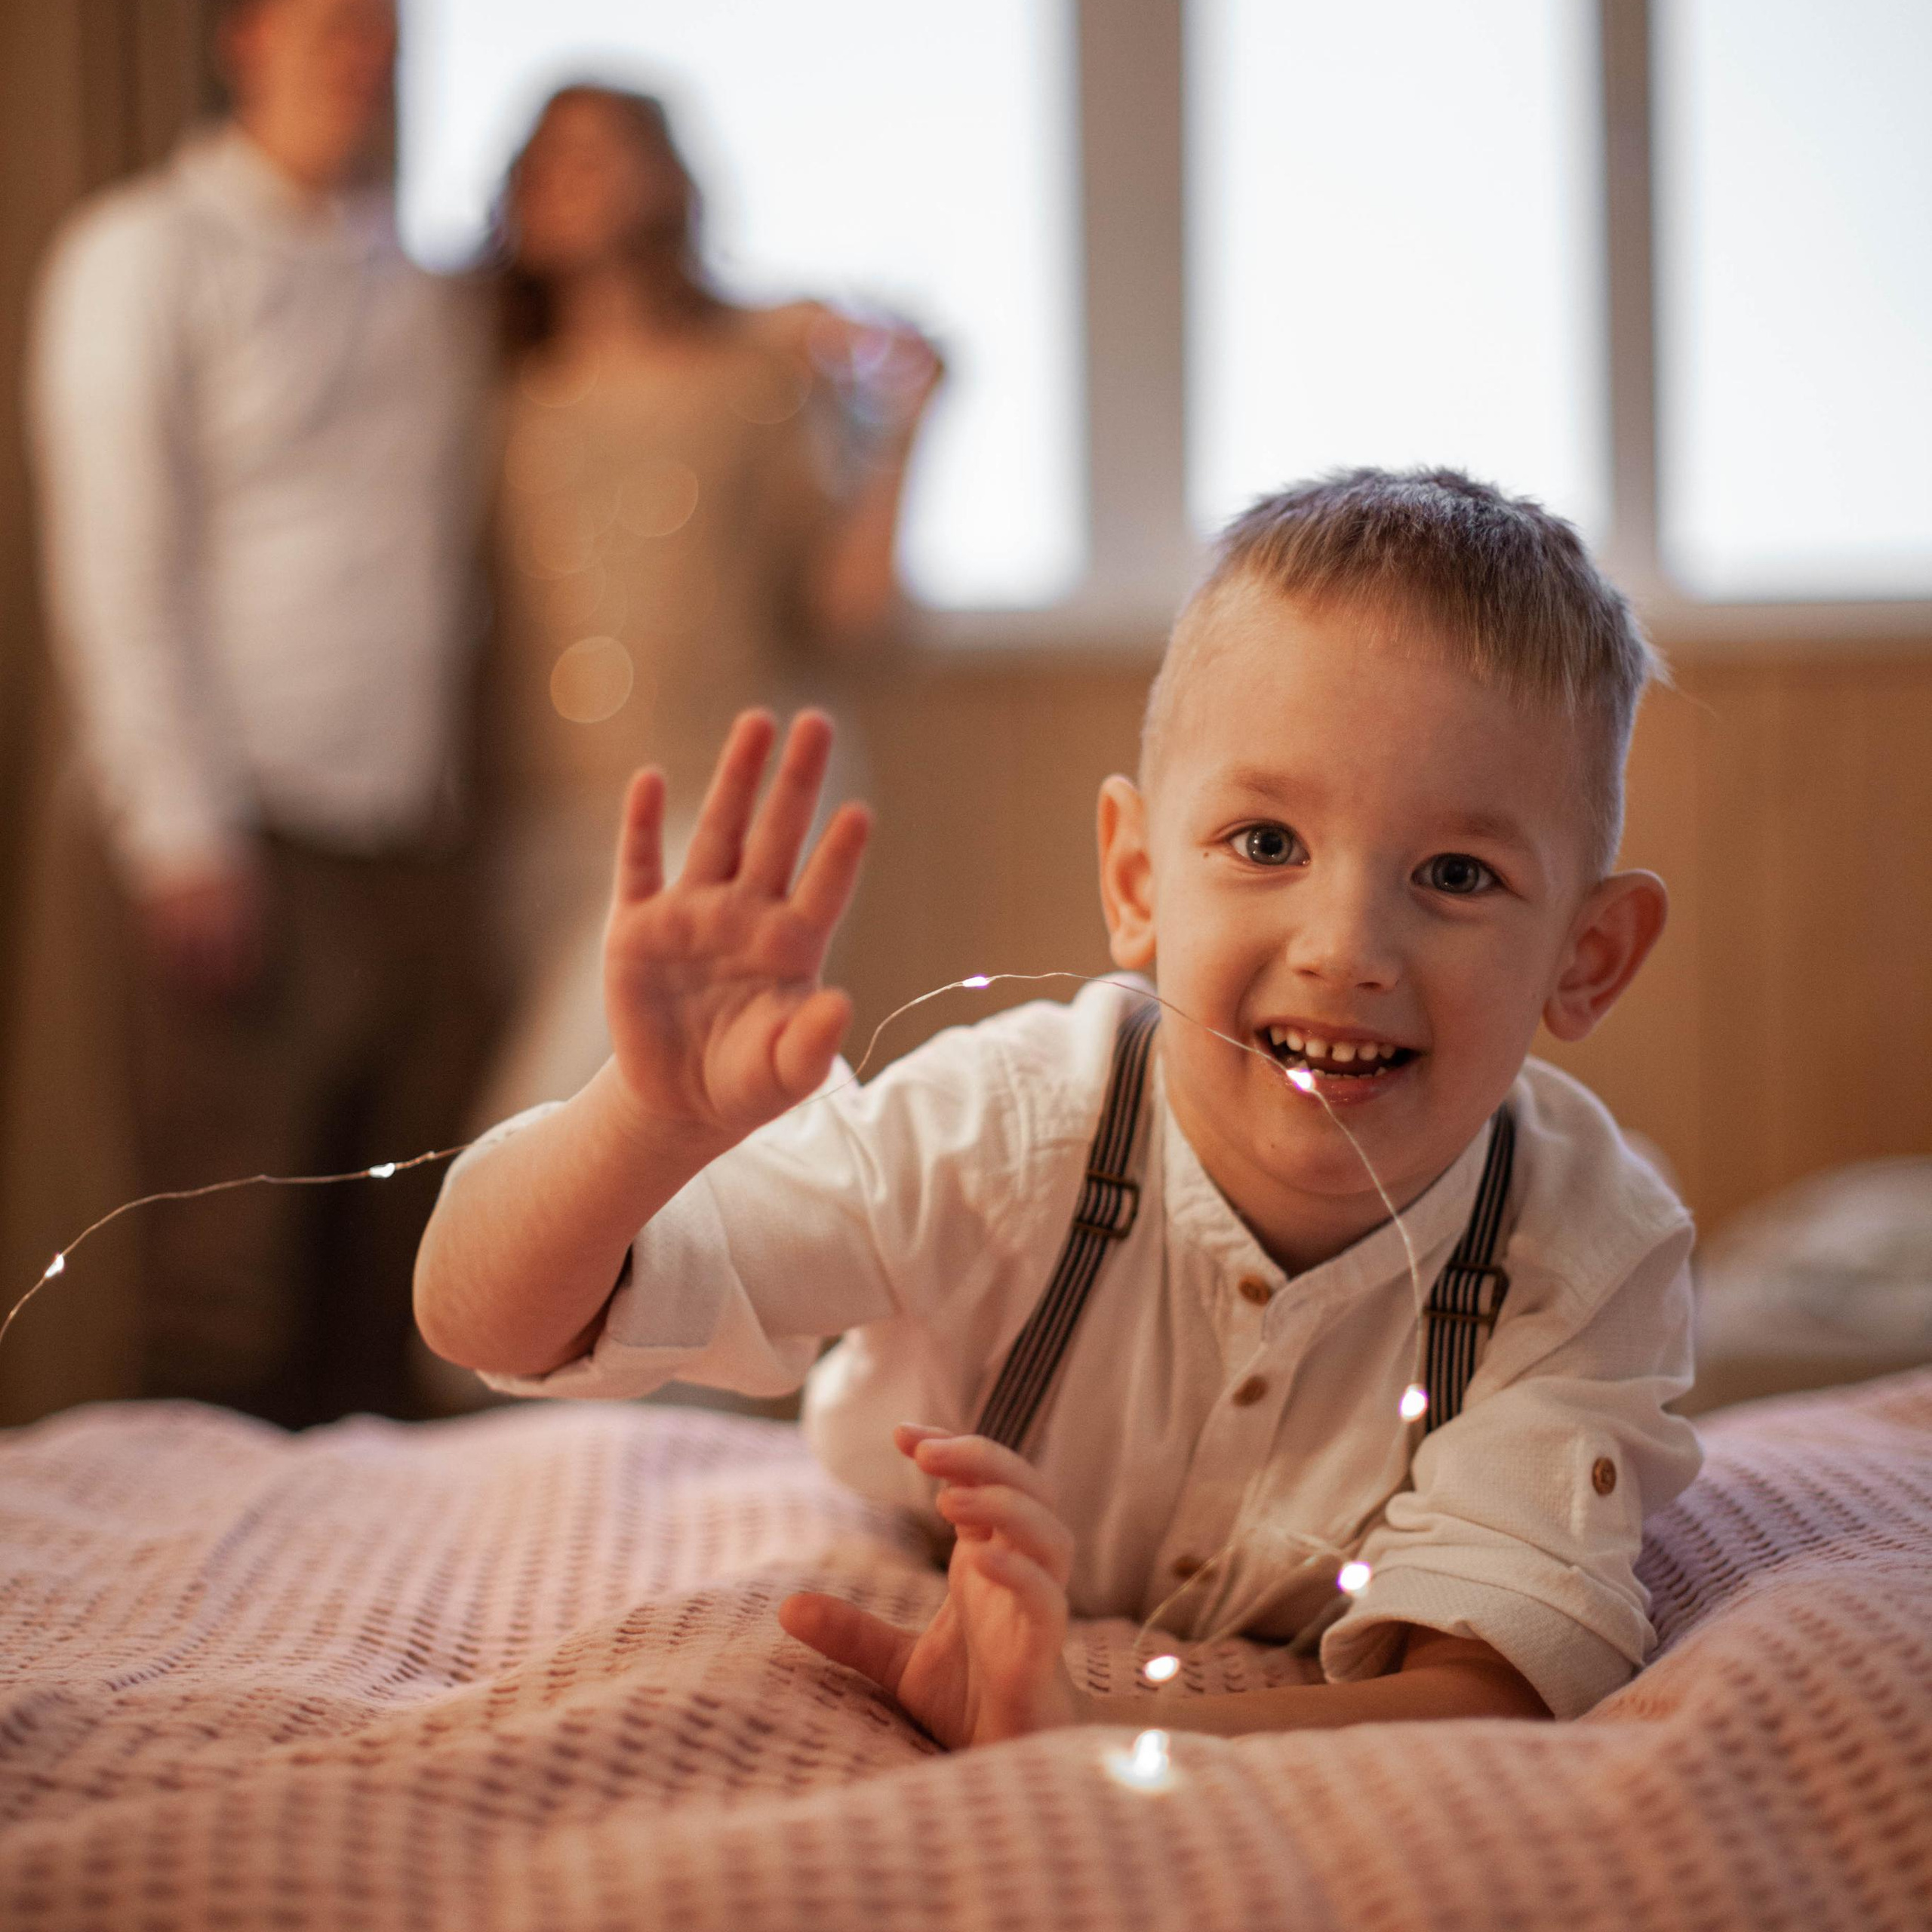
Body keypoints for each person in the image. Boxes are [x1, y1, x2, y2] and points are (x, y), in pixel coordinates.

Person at [414, 469, 1700, 1744]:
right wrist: (647, 1126)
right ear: (1137, 879)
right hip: (911, 1535)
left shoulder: (1580, 1252)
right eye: (1265, 844)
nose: (1345, 947)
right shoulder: (1011, 1127)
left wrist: (1076, 1719)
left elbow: (1491, 1691)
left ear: (1588, 957)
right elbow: (487, 1317)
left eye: (1457, 873)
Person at [25, 0, 492, 1426]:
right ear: (244, 37)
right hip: (241, 836)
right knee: (220, 1286)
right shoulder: (141, 254)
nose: (362, 53)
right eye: (330, 25)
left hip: (409, 838)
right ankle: (188, 1633)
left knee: (392, 1274)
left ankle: (368, 1628)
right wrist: (180, 832)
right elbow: (116, 556)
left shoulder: (416, 285)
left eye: (381, 31)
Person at [472, 82, 940, 1126]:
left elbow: (851, 611)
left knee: (531, 1130)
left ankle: (482, 1290)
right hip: (535, 811)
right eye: (542, 155)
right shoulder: (491, 379)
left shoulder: (752, 383)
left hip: (718, 797)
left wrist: (907, 431)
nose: (563, 174)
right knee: (640, 1146)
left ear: (665, 176)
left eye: (597, 151)